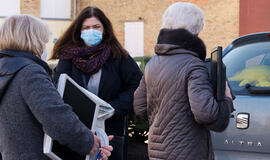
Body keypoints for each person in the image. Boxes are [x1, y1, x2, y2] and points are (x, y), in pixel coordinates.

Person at [0, 14, 113, 160]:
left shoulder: (6, 71)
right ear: (33, 40)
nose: (44, 46)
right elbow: (57, 118)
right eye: (43, 41)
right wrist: (89, 141)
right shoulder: (30, 72)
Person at [133, 2, 234, 160]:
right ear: (196, 33)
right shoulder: (194, 65)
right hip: (189, 154)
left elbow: (139, 109)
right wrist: (226, 99)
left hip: (156, 153)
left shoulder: (152, 64)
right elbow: (207, 114)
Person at [50, 6, 143, 160]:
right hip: (77, 132)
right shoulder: (68, 58)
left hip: (111, 132)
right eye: (86, 27)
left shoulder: (118, 56)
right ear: (79, 31)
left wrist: (112, 108)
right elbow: (59, 90)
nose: (91, 31)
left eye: (96, 26)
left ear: (104, 29)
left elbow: (137, 87)